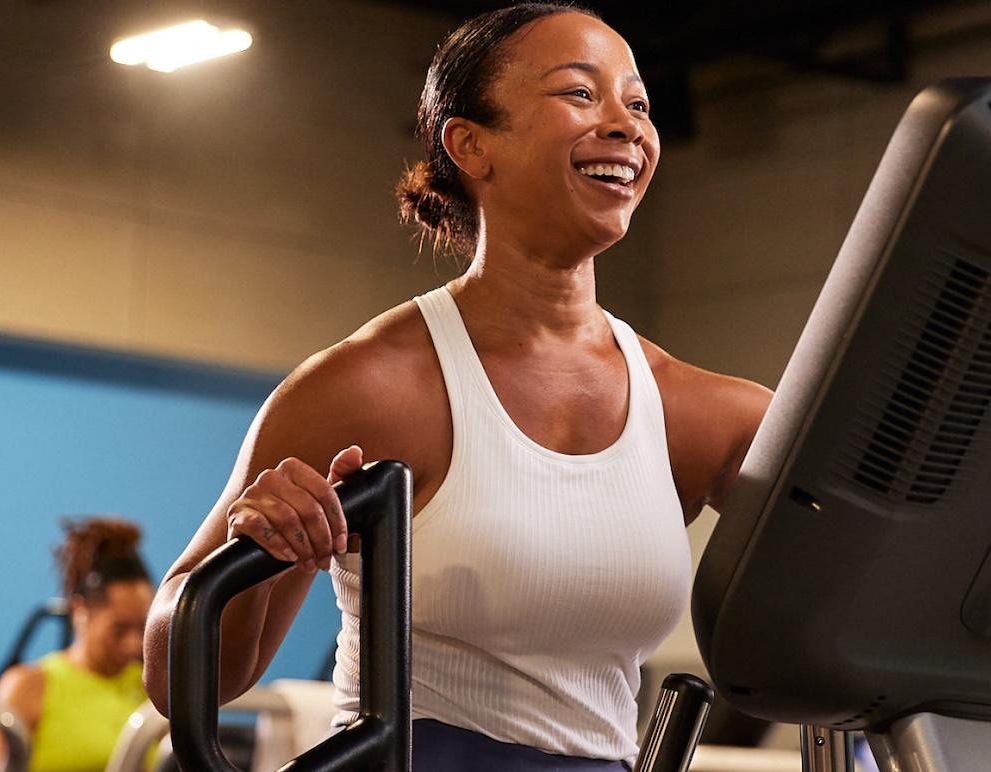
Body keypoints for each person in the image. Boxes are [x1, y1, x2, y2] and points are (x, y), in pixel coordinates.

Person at [144, 3, 772, 770]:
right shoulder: (372, 386)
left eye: (637, 104)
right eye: (580, 94)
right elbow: (183, 681)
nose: (625, 126)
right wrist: (260, 549)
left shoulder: (700, 412)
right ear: (471, 145)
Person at [0, 517, 154, 772]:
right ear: (80, 611)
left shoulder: (154, 688)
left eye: (143, 627)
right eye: (119, 630)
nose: (134, 644)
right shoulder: (28, 686)